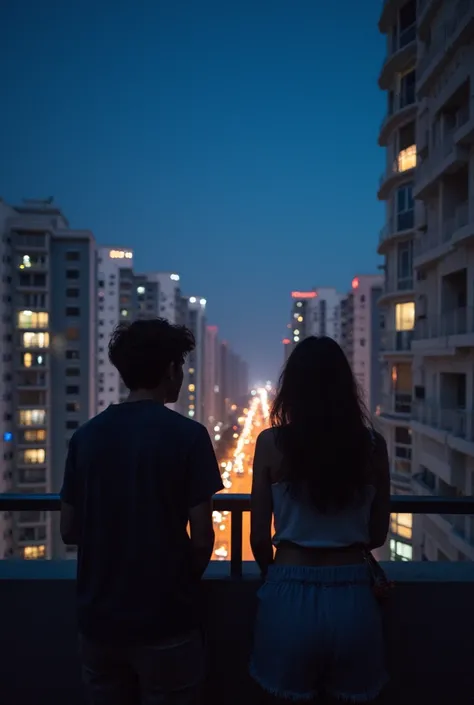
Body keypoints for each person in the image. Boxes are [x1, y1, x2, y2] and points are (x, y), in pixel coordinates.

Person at [60, 318, 224, 705]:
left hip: (99, 624)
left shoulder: (85, 437)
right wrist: (179, 581)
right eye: (181, 367)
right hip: (167, 622)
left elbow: (69, 529)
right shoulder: (188, 435)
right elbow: (203, 536)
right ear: (170, 369)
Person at [250, 336, 390, 704]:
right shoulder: (373, 447)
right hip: (354, 598)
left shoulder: (270, 444)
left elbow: (259, 540)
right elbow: (377, 533)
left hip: (289, 592)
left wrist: (277, 574)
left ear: (291, 390)